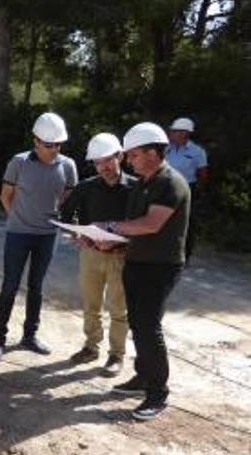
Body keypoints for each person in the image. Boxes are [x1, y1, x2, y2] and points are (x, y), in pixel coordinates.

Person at [99, 122, 190, 421]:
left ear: (153, 152)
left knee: (149, 328)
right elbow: (133, 228)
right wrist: (105, 241)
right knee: (138, 324)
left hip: (160, 267)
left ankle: (158, 393)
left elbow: (151, 224)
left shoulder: (171, 183)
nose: (128, 160)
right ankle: (142, 378)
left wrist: (109, 227)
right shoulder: (142, 183)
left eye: (134, 154)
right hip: (136, 262)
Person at [0, 112, 78, 362]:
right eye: (49, 145)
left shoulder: (68, 165)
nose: (54, 149)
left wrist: (54, 216)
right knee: (10, 286)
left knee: (36, 288)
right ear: (36, 141)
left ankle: (30, 336)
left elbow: (68, 195)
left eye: (58, 144)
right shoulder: (19, 162)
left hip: (48, 236)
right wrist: (17, 218)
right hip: (18, 233)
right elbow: (5, 195)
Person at [59, 133, 134, 377]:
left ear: (120, 157)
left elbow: (143, 225)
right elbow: (66, 216)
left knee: (119, 309)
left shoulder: (136, 188)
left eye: (108, 160)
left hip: (122, 257)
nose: (103, 167)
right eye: (98, 162)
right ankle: (91, 347)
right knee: (91, 305)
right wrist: (78, 235)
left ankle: (116, 355)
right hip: (91, 255)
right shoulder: (86, 187)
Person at [165, 117, 207, 263]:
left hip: (188, 188)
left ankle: (184, 256)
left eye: (175, 131)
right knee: (164, 220)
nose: (171, 133)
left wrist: (196, 192)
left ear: (185, 133)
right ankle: (166, 253)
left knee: (187, 223)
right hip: (166, 187)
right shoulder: (166, 149)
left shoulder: (197, 151)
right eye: (172, 131)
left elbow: (202, 174)